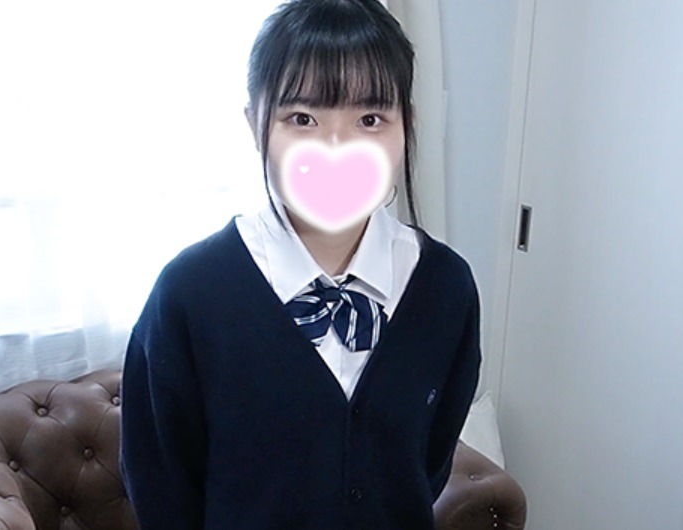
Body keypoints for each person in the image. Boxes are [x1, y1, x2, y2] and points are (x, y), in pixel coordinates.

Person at [119, 1, 481, 529]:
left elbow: (428, 462)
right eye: (303, 119)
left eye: (370, 119)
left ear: (407, 124)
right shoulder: (190, 294)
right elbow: (161, 486)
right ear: (255, 124)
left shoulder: (446, 286)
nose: (337, 151)